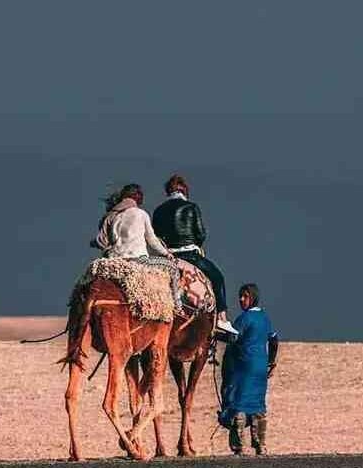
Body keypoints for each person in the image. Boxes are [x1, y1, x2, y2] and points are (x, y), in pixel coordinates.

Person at [151, 174, 237, 334]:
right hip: (190, 255)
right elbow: (201, 234)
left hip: (167, 257)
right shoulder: (191, 207)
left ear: (168, 191)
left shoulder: (158, 211)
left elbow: (155, 236)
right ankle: (222, 319)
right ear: (184, 190)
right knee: (218, 278)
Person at [218, 283, 279, 456]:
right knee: (258, 405)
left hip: (243, 367)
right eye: (240, 296)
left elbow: (232, 337)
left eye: (244, 296)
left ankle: (239, 447)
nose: (241, 299)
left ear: (252, 297)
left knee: (239, 403)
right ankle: (261, 445)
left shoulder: (244, 318)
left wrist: (214, 333)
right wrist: (271, 362)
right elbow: (274, 340)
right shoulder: (264, 318)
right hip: (260, 368)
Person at [92, 183, 175, 262]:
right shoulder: (141, 214)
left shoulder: (114, 217)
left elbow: (102, 241)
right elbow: (152, 241)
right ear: (138, 198)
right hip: (138, 257)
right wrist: (166, 253)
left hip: (117, 257)